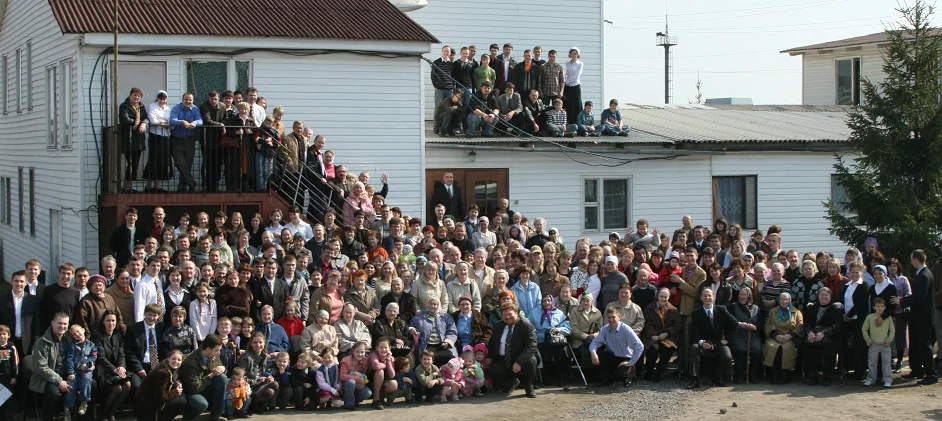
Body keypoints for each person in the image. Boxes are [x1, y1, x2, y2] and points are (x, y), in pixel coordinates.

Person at [895, 249, 937, 385]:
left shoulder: (924, 275)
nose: (911, 262)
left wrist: (901, 301)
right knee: (916, 344)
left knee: (924, 345)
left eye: (912, 259)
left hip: (923, 316)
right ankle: (917, 370)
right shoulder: (923, 273)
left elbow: (919, 297)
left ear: (916, 259)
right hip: (917, 316)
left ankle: (931, 374)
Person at [686, 288, 738, 389]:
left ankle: (716, 378)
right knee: (694, 348)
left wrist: (727, 339)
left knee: (727, 357)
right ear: (701, 298)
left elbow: (735, 324)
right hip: (703, 341)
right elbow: (694, 333)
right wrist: (701, 343)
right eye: (705, 296)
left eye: (709, 295)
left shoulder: (721, 309)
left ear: (713, 296)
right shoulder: (696, 313)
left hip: (718, 341)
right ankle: (694, 379)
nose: (707, 298)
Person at [487, 303, 538, 398]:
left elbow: (531, 345)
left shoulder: (527, 326)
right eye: (505, 315)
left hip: (520, 358)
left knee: (531, 361)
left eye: (510, 314)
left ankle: (529, 387)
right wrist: (489, 357)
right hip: (503, 358)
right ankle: (511, 384)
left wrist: (519, 362)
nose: (507, 317)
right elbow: (492, 342)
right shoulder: (498, 325)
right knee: (494, 370)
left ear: (516, 313)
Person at [29, 312, 71, 421]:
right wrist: (59, 381)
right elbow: (41, 367)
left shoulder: (69, 340)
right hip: (48, 378)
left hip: (69, 375)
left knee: (92, 385)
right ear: (52, 323)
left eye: (65, 324)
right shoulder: (41, 342)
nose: (62, 326)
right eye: (59, 323)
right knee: (54, 393)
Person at [589, 306, 644, 388]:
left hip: (625, 357)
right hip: (613, 356)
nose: (611, 319)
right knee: (598, 354)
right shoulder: (605, 329)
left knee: (620, 376)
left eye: (613, 317)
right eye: (609, 317)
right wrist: (593, 353)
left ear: (619, 317)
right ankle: (607, 379)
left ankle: (629, 374)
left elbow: (640, 346)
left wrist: (630, 362)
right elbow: (595, 343)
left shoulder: (626, 329)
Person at [90, 311, 130, 421]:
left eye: (113, 320)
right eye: (108, 320)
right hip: (103, 371)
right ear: (103, 321)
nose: (110, 323)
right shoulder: (97, 335)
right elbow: (100, 357)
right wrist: (114, 370)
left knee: (127, 385)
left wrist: (122, 367)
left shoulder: (118, 335)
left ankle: (111, 413)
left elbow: (122, 353)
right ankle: (104, 413)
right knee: (117, 388)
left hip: (117, 370)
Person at [179, 334, 227, 421]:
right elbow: (195, 388)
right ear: (208, 349)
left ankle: (216, 415)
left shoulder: (214, 355)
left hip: (205, 387)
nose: (219, 352)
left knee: (222, 378)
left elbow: (219, 367)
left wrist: (223, 368)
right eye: (217, 350)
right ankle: (188, 416)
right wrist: (211, 375)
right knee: (201, 404)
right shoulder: (191, 361)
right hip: (191, 392)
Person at [528, 294, 572, 388]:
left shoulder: (559, 313)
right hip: (541, 339)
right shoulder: (535, 313)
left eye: (548, 300)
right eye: (544, 301)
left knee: (564, 349)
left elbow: (569, 329)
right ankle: (547, 377)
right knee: (545, 347)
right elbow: (528, 326)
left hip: (556, 339)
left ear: (552, 301)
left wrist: (559, 330)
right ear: (541, 302)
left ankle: (562, 377)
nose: (546, 302)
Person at [762, 292, 803, 384]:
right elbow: (768, 325)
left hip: (789, 337)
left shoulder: (796, 312)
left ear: (789, 300)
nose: (784, 301)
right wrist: (776, 336)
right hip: (775, 337)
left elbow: (800, 326)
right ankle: (773, 374)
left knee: (787, 348)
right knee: (770, 346)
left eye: (786, 299)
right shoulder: (773, 311)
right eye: (782, 299)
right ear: (778, 300)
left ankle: (784, 374)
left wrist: (789, 336)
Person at [641, 288, 680, 383]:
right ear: (657, 296)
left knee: (668, 349)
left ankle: (659, 371)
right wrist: (652, 334)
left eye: (665, 297)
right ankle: (649, 371)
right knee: (653, 349)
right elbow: (647, 323)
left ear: (669, 297)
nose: (663, 299)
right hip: (652, 336)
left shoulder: (673, 310)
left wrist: (667, 333)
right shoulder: (649, 308)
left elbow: (678, 325)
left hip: (667, 337)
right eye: (661, 296)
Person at [136, 349, 187, 421]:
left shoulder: (167, 366)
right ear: (168, 358)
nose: (176, 361)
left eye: (179, 360)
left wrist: (177, 383)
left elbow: (171, 380)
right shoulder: (163, 373)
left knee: (182, 397)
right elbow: (160, 397)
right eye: (173, 359)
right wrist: (176, 392)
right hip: (148, 404)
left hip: (149, 399)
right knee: (181, 401)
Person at [125, 304, 166, 389]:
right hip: (140, 365)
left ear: (158, 316)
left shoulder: (161, 327)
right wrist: (139, 368)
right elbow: (129, 351)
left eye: (154, 315)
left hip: (157, 365)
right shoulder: (133, 329)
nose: (151, 318)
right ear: (144, 314)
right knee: (138, 387)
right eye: (149, 314)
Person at [169, 92, 204, 193]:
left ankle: (182, 187)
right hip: (177, 140)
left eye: (190, 100)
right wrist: (182, 122)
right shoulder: (177, 108)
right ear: (182, 100)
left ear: (192, 101)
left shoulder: (195, 109)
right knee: (180, 164)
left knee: (187, 165)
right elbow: (172, 120)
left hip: (190, 140)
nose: (188, 101)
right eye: (186, 99)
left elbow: (200, 120)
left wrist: (195, 122)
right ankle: (191, 182)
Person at [410, 297, 458, 367]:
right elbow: (411, 325)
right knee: (428, 358)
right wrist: (411, 329)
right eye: (430, 304)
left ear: (439, 305)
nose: (432, 306)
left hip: (443, 345)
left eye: (435, 304)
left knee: (450, 356)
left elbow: (452, 331)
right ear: (427, 305)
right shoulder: (420, 316)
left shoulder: (446, 316)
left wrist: (447, 341)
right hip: (427, 345)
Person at [0, 270, 39, 357]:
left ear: (26, 283)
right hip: (7, 341)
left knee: (26, 367)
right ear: (11, 282)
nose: (19, 284)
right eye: (16, 281)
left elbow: (36, 323)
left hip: (26, 342)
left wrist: (35, 342)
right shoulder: (2, 299)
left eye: (22, 281)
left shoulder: (32, 300)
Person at [729, 288, 762, 384]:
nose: (742, 297)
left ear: (749, 296)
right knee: (740, 352)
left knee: (756, 349)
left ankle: (754, 375)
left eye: (744, 295)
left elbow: (761, 323)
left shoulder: (756, 308)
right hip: (739, 335)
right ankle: (739, 375)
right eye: (740, 294)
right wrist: (739, 324)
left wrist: (755, 327)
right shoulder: (733, 307)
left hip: (753, 335)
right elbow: (730, 320)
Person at [862, 297, 895, 388]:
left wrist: (889, 340)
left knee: (886, 363)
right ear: (873, 307)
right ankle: (871, 379)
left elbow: (892, 330)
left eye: (881, 306)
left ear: (885, 307)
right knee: (872, 362)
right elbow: (864, 329)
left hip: (885, 344)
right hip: (874, 344)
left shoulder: (888, 318)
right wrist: (868, 340)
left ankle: (887, 379)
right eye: (877, 306)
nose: (879, 308)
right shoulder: (869, 317)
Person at [145, 90, 173, 192]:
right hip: (155, 135)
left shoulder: (168, 108)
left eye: (164, 99)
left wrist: (163, 121)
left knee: (163, 160)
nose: (162, 101)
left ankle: (157, 185)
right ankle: (148, 185)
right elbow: (153, 121)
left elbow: (171, 122)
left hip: (165, 135)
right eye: (160, 99)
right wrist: (164, 122)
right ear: (157, 98)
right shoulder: (152, 106)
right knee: (154, 159)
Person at [339, 341, 372, 409]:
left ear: (365, 352)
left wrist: (364, 380)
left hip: (359, 385)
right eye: (357, 352)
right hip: (347, 385)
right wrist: (356, 378)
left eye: (362, 352)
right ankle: (349, 404)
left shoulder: (366, 361)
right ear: (353, 351)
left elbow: (364, 373)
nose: (359, 354)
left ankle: (354, 401)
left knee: (368, 393)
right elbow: (342, 376)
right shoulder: (346, 360)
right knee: (351, 382)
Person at [367, 338, 398, 410]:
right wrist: (385, 365)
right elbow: (376, 366)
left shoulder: (391, 358)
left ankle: (382, 396)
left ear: (389, 348)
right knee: (380, 371)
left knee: (393, 383)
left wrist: (387, 359)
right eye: (381, 347)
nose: (383, 349)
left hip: (383, 382)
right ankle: (376, 399)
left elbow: (392, 375)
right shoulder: (373, 355)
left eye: (385, 347)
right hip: (370, 381)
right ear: (377, 348)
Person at [563, 47, 583, 125]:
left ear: (577, 55)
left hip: (575, 85)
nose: (573, 55)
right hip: (568, 86)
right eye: (572, 53)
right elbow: (566, 74)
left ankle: (577, 122)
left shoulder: (580, 64)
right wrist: (564, 81)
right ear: (570, 54)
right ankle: (569, 121)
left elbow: (576, 76)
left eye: (575, 53)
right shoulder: (567, 63)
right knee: (569, 103)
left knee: (576, 103)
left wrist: (566, 81)